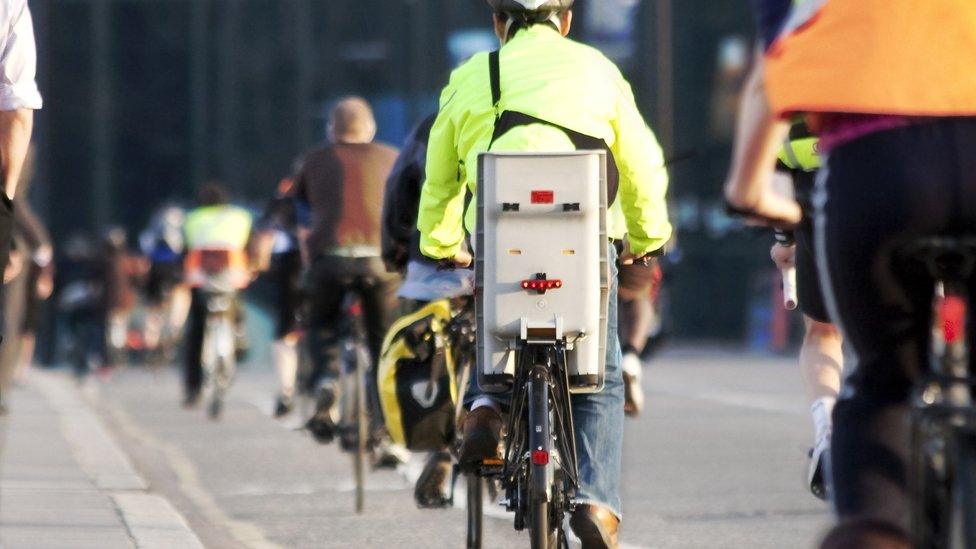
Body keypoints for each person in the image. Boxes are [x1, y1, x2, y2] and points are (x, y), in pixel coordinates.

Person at [417, 1, 671, 545]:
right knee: (598, 375)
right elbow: (643, 164)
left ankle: (486, 409)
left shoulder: (471, 76)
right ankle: (598, 504)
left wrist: (441, 243)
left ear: (498, 22)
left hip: (498, 232)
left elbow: (439, 174)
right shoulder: (599, 70)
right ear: (566, 21)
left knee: (492, 330)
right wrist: (648, 240)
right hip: (585, 236)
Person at [728, 0, 976, 544]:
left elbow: (774, 74)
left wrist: (749, 193)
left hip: (878, 165)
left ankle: (876, 529)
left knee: (885, 383)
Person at [291, 97, 400, 445]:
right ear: (370, 129)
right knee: (384, 338)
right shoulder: (390, 157)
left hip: (330, 258)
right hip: (378, 261)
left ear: (331, 130)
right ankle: (385, 415)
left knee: (320, 322)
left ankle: (327, 378)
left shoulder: (314, 159)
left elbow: (304, 205)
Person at [382, 113, 475, 507]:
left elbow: (399, 187)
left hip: (437, 262)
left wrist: (396, 250)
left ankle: (440, 447)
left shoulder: (436, 122)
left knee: (430, 344)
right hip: (515, 260)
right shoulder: (551, 113)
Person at [768, 122, 842, 500]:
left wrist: (783, 239)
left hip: (826, 188)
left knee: (823, 331)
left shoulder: (802, 62)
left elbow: (774, 158)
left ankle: (828, 425)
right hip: (941, 175)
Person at [181, 184, 253, 407]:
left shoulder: (192, 218)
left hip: (200, 272)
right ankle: (239, 332)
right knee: (236, 303)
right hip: (233, 270)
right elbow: (247, 245)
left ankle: (193, 388)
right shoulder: (240, 216)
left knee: (196, 329)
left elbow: (186, 248)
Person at [254, 176, 305, 418]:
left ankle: (286, 390)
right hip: (325, 262)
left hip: (290, 269)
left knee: (284, 335)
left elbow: (264, 237)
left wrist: (260, 266)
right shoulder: (328, 196)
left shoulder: (279, 205)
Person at [139, 206, 190, 364]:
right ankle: (161, 345)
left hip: (167, 281)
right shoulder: (154, 238)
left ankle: (160, 345)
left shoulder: (150, 238)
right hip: (169, 281)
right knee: (165, 316)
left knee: (163, 317)